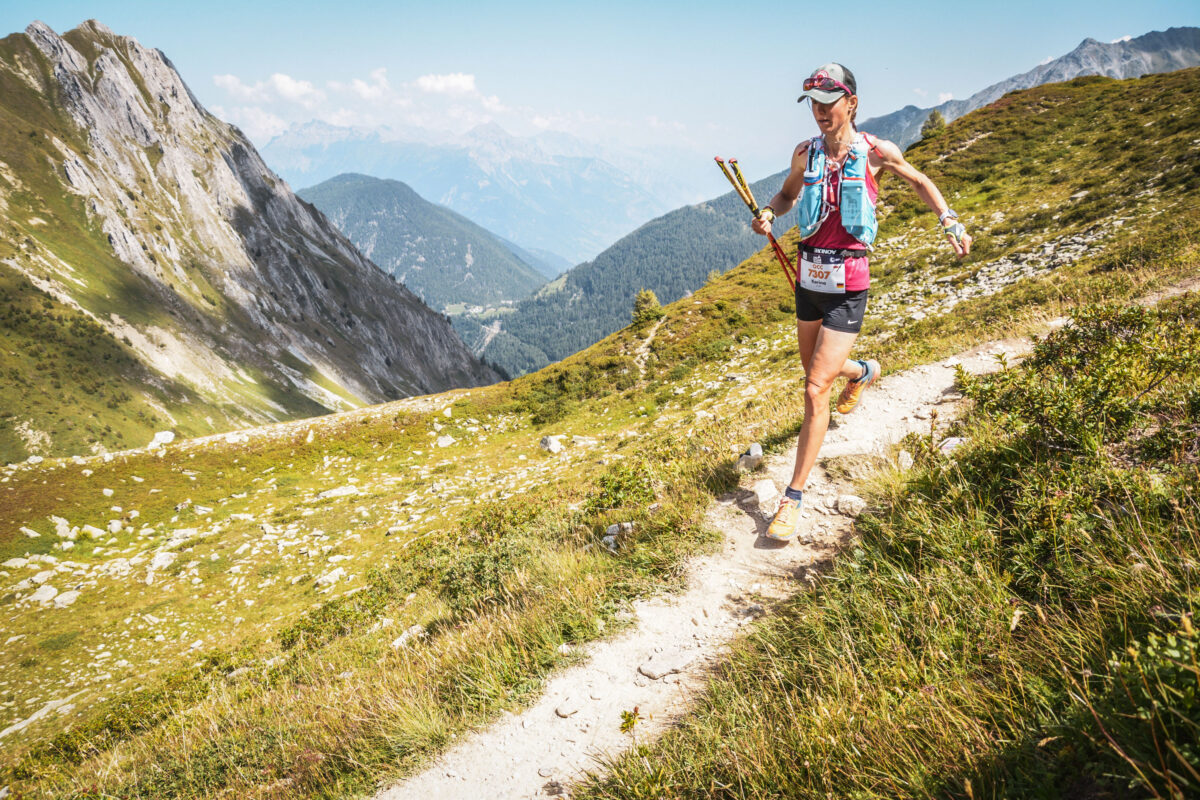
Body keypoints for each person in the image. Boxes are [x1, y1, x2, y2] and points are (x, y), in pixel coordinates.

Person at [751, 62, 971, 542]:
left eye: (829, 104)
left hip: (849, 283)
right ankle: (864, 372)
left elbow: (918, 181)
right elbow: (787, 195)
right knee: (817, 372)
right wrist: (769, 211)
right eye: (813, 104)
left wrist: (949, 220)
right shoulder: (805, 153)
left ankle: (793, 498)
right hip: (809, 277)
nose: (820, 113)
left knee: (814, 389)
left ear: (851, 103)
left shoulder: (875, 151)